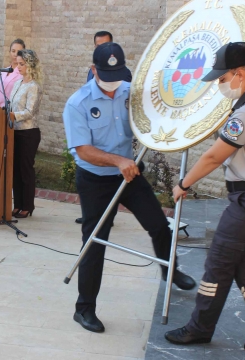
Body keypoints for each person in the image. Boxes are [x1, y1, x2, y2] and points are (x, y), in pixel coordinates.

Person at [163, 42, 245, 359]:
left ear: (239, 73)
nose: (220, 83)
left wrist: (183, 184)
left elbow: (214, 157)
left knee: (217, 266)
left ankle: (199, 329)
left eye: (222, 78)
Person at [63, 42, 196, 334]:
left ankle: (168, 270)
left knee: (159, 225)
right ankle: (84, 309)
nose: (114, 84)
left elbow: (154, 116)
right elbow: (83, 150)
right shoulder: (78, 103)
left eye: (118, 76)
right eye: (107, 76)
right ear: (94, 69)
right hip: (96, 179)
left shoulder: (130, 91)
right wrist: (116, 160)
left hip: (129, 175)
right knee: (95, 240)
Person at [75, 30, 130, 225]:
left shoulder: (124, 76)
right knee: (94, 227)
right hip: (94, 154)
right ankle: (96, 215)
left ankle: (108, 216)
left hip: (120, 153)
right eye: (98, 46)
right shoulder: (86, 84)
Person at [10, 49, 43, 218]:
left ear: (30, 65)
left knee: (25, 170)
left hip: (28, 133)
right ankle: (18, 204)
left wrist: (14, 115)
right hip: (14, 131)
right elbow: (12, 105)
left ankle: (28, 206)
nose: (18, 67)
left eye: (22, 64)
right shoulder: (17, 83)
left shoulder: (34, 87)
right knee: (15, 169)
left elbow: (30, 111)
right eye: (17, 63)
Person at [0, 38, 25, 107]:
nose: (15, 54)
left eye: (18, 52)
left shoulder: (23, 74)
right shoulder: (3, 71)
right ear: (9, 52)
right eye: (13, 51)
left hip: (11, 112)